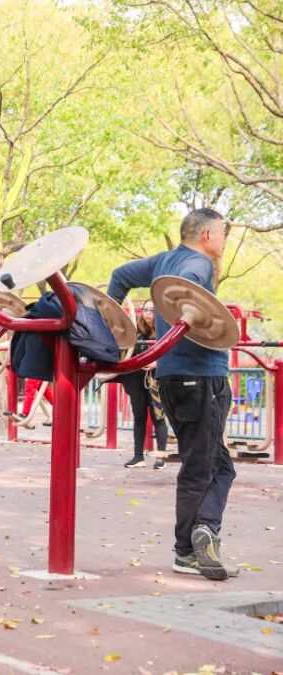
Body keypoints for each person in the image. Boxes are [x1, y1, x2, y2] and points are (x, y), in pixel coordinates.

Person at [107, 207, 238, 581]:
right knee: (203, 467)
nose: (223, 242)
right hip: (202, 378)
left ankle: (200, 535)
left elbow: (119, 276)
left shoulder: (161, 262)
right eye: (222, 234)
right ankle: (192, 544)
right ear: (207, 235)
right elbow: (188, 282)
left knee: (215, 464)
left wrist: (113, 328)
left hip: (169, 377)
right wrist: (189, 301)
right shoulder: (198, 265)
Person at [117, 301, 168, 469]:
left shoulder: (165, 332)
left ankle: (160, 458)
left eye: (152, 310)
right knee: (139, 417)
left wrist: (157, 364)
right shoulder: (136, 330)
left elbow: (172, 354)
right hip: (135, 378)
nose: (148, 313)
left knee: (158, 417)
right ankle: (138, 456)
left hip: (156, 378)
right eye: (145, 310)